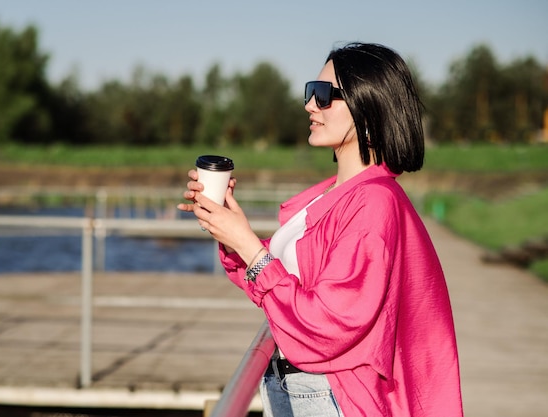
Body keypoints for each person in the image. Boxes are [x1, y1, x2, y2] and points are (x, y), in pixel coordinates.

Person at [177, 42, 463, 417]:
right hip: (296, 385)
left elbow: (330, 323)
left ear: (368, 104)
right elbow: (283, 288)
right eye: (311, 92)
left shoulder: (374, 202)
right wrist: (229, 233)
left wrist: (249, 246)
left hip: (331, 396)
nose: (310, 104)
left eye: (325, 94)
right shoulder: (337, 195)